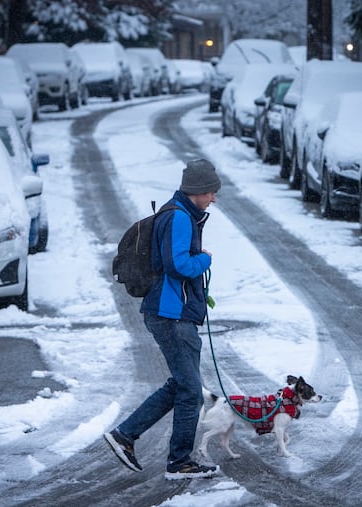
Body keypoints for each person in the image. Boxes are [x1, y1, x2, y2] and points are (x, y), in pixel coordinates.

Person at [104, 158, 222, 480]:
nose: (213, 198)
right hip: (171, 315)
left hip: (172, 312)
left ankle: (125, 435)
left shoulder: (179, 214)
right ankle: (179, 462)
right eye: (211, 192)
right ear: (197, 191)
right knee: (191, 391)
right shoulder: (180, 218)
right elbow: (178, 265)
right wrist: (204, 260)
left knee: (183, 385)